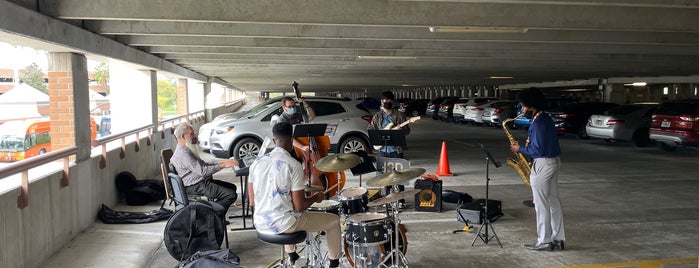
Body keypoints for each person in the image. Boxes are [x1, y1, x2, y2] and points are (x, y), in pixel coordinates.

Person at [248, 122, 342, 267]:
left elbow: (253, 202)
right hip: (284, 224)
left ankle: (292, 256)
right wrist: (315, 198)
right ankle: (334, 264)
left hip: (260, 223)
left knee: (285, 209)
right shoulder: (293, 165)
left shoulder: (256, 163)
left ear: (274, 141)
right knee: (334, 221)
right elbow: (299, 206)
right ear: (292, 141)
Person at [510, 88, 566, 251]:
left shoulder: (539, 123)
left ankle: (544, 241)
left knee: (541, 205)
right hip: (553, 161)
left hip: (543, 163)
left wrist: (519, 149)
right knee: (553, 202)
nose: (522, 110)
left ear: (531, 105)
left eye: (524, 106)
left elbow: (538, 150)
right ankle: (558, 238)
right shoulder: (544, 119)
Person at [170, 122, 239, 215]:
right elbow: (202, 171)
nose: (195, 136)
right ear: (183, 136)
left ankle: (217, 218)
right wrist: (223, 165)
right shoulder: (184, 153)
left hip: (199, 182)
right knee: (230, 195)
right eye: (191, 134)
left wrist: (222, 162)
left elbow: (203, 164)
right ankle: (211, 217)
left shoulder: (186, 150)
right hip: (195, 185)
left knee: (232, 187)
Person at [367, 91, 411, 207]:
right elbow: (370, 129)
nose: (387, 103)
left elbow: (407, 130)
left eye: (389, 101)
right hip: (382, 150)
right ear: (381, 101)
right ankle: (388, 200)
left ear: (393, 102)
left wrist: (401, 130)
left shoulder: (399, 115)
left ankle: (401, 201)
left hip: (396, 151)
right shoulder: (377, 116)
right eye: (385, 100)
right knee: (385, 177)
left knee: (399, 177)